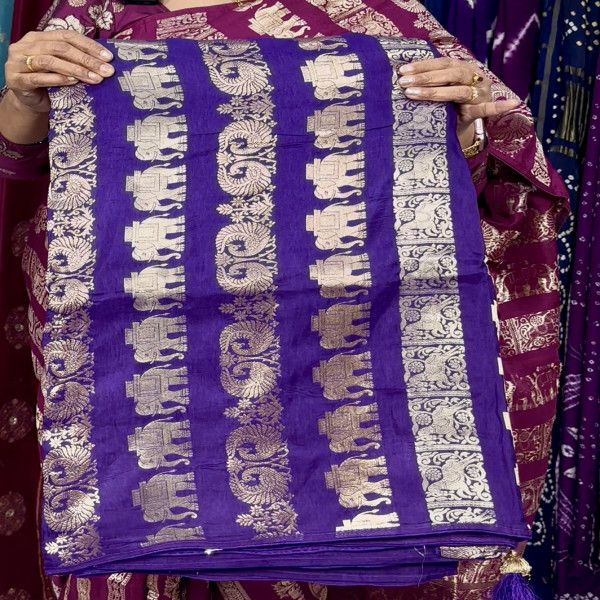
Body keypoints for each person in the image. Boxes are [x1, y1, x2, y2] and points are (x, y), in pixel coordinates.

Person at [0, 0, 568, 598]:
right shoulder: (96, 15)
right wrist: (23, 101)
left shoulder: (383, 19)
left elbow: (483, 204)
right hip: (142, 356)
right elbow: (24, 166)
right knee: (147, 531)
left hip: (340, 359)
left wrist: (463, 132)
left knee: (344, 532)